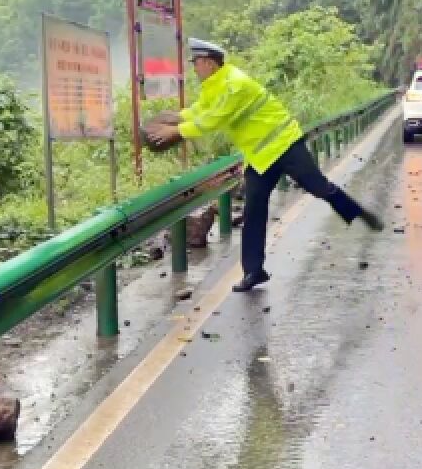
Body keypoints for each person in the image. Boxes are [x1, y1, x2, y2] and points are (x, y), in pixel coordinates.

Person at [144, 39, 383, 292]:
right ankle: (254, 272)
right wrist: (176, 117)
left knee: (319, 187)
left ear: (209, 63)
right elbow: (201, 110)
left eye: (197, 64)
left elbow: (212, 120)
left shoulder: (234, 83)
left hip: (285, 144)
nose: (194, 69)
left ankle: (356, 213)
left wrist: (175, 132)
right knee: (253, 212)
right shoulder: (213, 86)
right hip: (260, 157)